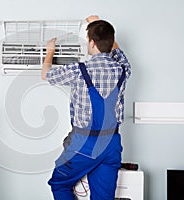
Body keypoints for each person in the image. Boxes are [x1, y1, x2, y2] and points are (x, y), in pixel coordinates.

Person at [41, 15, 131, 200]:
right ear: (110, 41)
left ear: (91, 43)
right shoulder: (122, 69)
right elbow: (117, 51)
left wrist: (50, 51)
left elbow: (46, 75)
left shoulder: (78, 70)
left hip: (84, 143)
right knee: (103, 197)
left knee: (59, 184)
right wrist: (97, 24)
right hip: (111, 144)